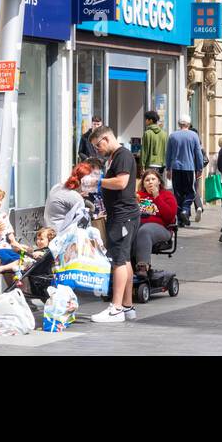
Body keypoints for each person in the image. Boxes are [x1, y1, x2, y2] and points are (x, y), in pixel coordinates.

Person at [89, 125, 140, 323]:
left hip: (123, 215)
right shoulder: (115, 157)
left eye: (97, 146)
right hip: (122, 214)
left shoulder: (122, 156)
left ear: (106, 139)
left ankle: (116, 308)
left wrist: (97, 182)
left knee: (118, 260)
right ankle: (127, 306)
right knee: (125, 259)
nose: (96, 150)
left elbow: (121, 183)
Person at [134, 169, 177, 276]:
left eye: (153, 179)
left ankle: (143, 266)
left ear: (159, 181)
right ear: (143, 183)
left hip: (162, 228)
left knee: (145, 231)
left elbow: (169, 217)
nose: (150, 182)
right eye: (147, 180)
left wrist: (157, 197)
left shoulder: (167, 195)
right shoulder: (138, 195)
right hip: (138, 226)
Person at [164, 116, 205, 226]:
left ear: (179, 124)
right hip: (189, 168)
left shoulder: (172, 136)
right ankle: (185, 210)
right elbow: (198, 154)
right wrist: (199, 168)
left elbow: (168, 153)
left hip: (176, 168)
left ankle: (180, 219)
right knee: (191, 192)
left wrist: (168, 168)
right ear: (189, 124)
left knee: (178, 193)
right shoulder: (194, 136)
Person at [46, 162, 95, 234]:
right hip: (61, 236)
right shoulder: (76, 197)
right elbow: (83, 225)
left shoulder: (57, 187)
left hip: (48, 230)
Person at [140, 109, 167, 173]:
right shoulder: (164, 134)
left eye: (146, 119)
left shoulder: (147, 133)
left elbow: (144, 150)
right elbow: (165, 149)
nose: (145, 121)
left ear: (151, 120)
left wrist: (142, 165)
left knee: (150, 182)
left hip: (150, 164)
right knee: (158, 182)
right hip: (161, 164)